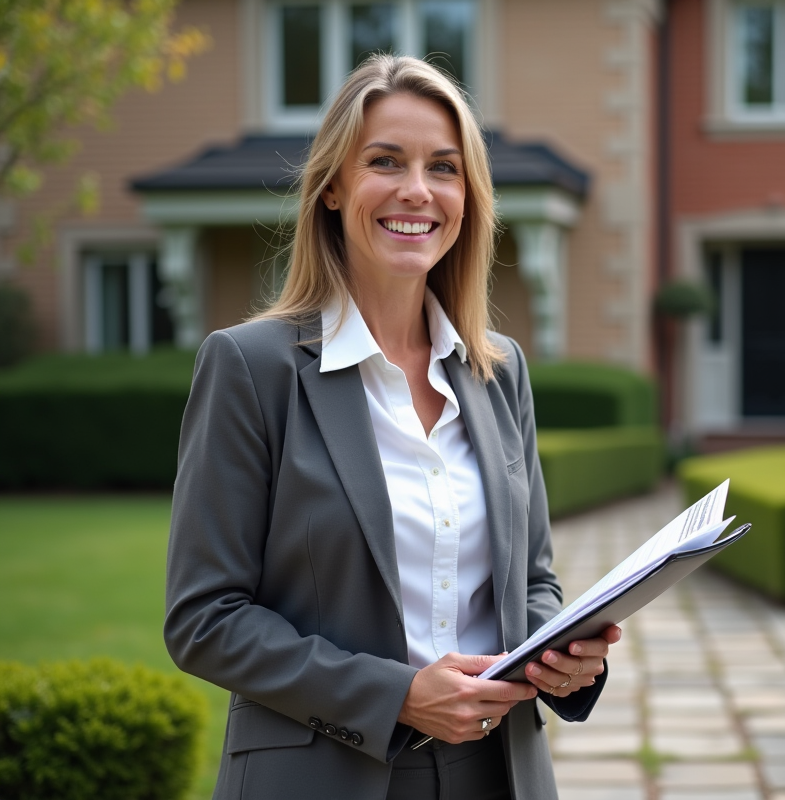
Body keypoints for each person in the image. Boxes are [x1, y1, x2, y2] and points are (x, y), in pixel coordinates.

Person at [164, 54, 619, 800]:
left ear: (468, 195)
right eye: (385, 161)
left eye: (444, 167)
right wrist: (397, 697)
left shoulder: (499, 371)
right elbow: (204, 620)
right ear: (334, 187)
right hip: (319, 775)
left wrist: (561, 655)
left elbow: (532, 579)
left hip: (497, 773)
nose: (417, 190)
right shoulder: (250, 368)